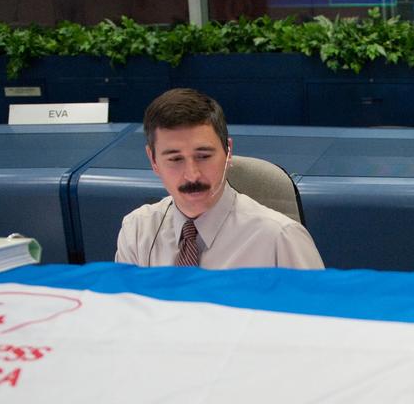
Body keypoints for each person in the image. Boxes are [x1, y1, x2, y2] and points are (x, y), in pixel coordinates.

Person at [116, 88, 324, 269]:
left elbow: (318, 314)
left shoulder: (280, 239)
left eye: (204, 156)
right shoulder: (137, 231)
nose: (192, 175)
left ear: (228, 151)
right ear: (153, 161)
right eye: (175, 159)